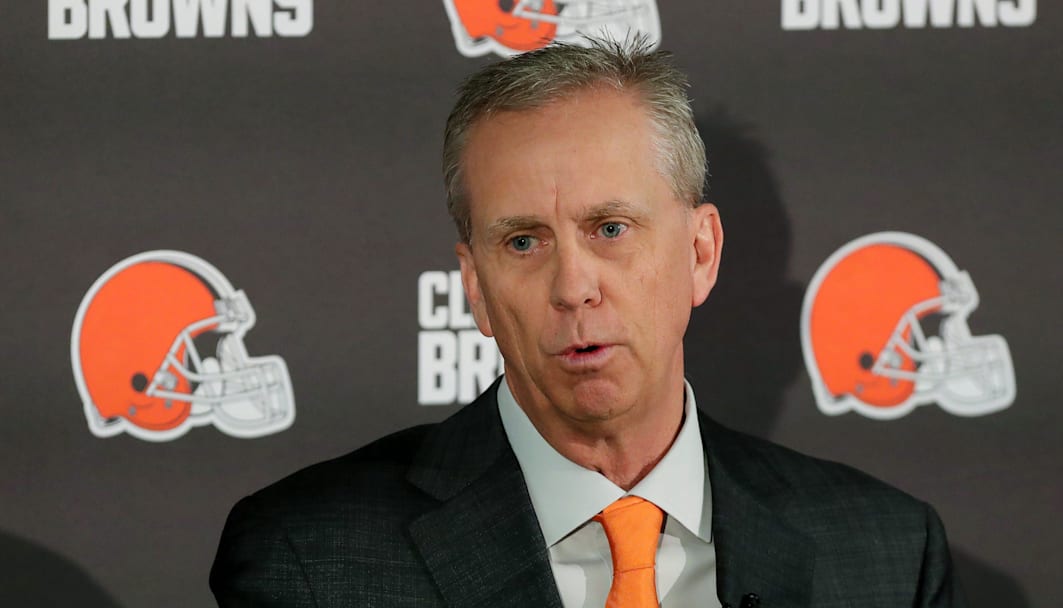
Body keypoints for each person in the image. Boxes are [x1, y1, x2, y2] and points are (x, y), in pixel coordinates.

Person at [210, 37, 965, 608]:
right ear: (476, 288)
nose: (573, 288)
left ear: (700, 253)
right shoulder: (310, 560)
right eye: (523, 242)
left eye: (610, 228)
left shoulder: (887, 557)